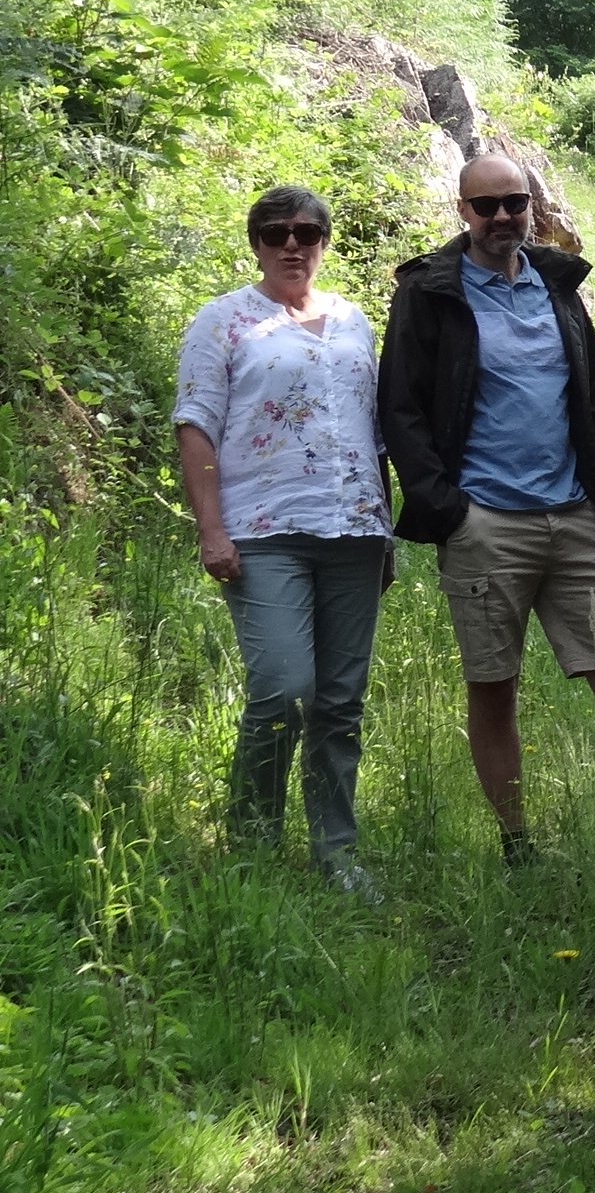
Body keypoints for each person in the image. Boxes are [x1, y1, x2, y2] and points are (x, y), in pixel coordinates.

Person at [381, 153, 595, 872]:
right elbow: (401, 409)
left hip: (576, 515)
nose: (500, 218)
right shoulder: (431, 292)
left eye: (512, 203)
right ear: (462, 211)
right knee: (494, 686)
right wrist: (448, 508)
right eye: (484, 205)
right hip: (484, 523)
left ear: (531, 206)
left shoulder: (557, 284)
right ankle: (517, 845)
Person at [173, 187, 392, 899]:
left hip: (355, 530)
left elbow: (376, 432)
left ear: (326, 240)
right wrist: (211, 529)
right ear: (256, 242)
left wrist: (385, 529)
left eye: (306, 232)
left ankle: (337, 851)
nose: (292, 245)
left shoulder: (356, 322)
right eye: (275, 233)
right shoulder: (224, 321)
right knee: (284, 690)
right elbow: (195, 425)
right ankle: (254, 845)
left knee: (341, 701)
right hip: (263, 531)